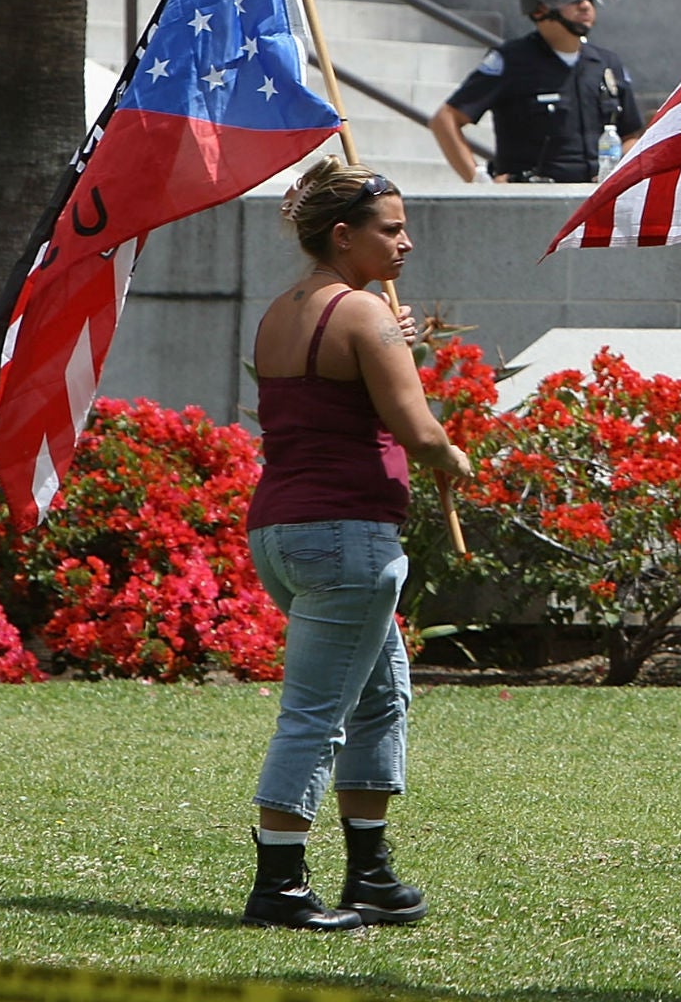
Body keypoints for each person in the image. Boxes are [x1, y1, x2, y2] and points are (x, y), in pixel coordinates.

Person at [240, 159, 471, 931]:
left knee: (379, 698)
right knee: (315, 713)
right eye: (392, 227)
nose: (408, 241)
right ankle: (278, 886)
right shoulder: (365, 316)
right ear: (344, 235)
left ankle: (369, 874)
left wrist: (391, 335)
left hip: (281, 530)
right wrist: (451, 456)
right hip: (346, 537)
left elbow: (342, 378)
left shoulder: (285, 310)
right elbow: (416, 428)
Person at [430, 0, 645, 184]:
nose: (585, 5)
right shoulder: (512, 61)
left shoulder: (607, 64)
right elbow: (445, 120)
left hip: (594, 199)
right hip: (531, 197)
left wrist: (620, 171)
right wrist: (478, 180)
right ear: (540, 9)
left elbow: (629, 135)